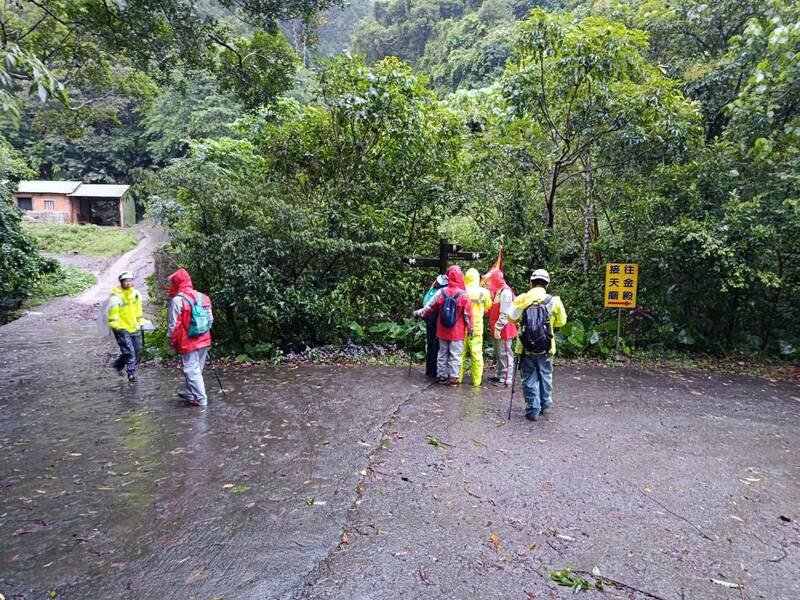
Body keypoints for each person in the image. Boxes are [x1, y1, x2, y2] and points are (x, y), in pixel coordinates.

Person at [506, 269, 567, 421]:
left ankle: (533, 409)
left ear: (531, 283)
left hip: (525, 346)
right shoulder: (554, 301)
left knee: (529, 377)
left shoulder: (522, 299)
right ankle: (545, 404)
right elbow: (562, 321)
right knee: (545, 374)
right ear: (547, 283)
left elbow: (510, 317)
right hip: (546, 346)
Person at [413, 265, 473, 385]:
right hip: (457, 331)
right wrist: (471, 330)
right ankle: (453, 378)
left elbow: (429, 307)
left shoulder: (441, 292)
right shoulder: (464, 295)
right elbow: (468, 315)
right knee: (455, 355)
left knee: (442, 353)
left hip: (442, 330)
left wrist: (418, 313)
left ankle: (441, 376)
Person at [167, 268, 214, 407]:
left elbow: (173, 325)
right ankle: (188, 392)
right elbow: (210, 319)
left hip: (187, 342)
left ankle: (201, 400)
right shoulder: (203, 297)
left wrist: (171, 340)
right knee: (196, 369)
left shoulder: (177, 300)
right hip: (204, 338)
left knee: (191, 370)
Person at [107, 271, 145, 383]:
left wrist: (140, 321)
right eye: (125, 281)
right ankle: (132, 375)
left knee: (137, 350)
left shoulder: (136, 294)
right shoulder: (116, 296)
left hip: (133, 326)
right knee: (129, 352)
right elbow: (113, 312)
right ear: (121, 282)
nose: (128, 283)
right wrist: (115, 325)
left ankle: (118, 365)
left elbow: (138, 310)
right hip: (121, 328)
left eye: (130, 280)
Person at [484, 269, 518, 387]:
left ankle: (506, 378)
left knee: (505, 354)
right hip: (498, 328)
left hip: (504, 329)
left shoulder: (505, 292)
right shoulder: (498, 291)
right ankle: (499, 375)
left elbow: (505, 313)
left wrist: (498, 327)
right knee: (498, 353)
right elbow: (495, 310)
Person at [458, 268, 491, 386]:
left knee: (460, 354)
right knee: (476, 354)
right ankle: (476, 381)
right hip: (476, 326)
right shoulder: (484, 292)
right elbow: (488, 306)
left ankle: (458, 378)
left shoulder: (461, 291)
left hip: (462, 327)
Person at [422, 274, 448, 379]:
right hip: (436, 321)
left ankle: (428, 370)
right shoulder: (440, 293)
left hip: (429, 320)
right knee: (436, 346)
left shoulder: (431, 291)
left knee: (430, 345)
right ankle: (434, 371)